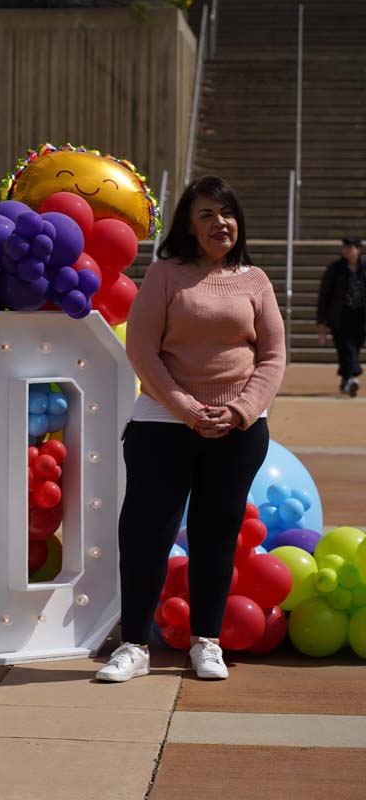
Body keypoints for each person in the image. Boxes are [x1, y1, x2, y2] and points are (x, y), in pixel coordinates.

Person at [96, 176, 285, 683]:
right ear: (188, 225)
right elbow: (142, 350)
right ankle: (134, 644)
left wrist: (241, 411)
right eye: (206, 215)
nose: (219, 223)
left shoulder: (255, 280)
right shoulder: (164, 274)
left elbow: (272, 356)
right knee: (145, 535)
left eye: (226, 213)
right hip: (163, 426)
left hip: (237, 431)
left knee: (216, 536)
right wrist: (185, 408)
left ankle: (207, 641)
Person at [316, 236, 366, 397]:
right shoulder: (335, 269)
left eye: (350, 247)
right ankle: (353, 374)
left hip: (361, 316)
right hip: (340, 316)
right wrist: (321, 322)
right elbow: (324, 296)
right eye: (344, 247)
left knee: (354, 348)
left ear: (358, 250)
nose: (346, 250)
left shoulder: (364, 268)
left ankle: (346, 381)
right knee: (346, 348)